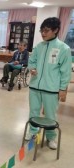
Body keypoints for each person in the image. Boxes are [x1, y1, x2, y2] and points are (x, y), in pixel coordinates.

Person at [25, 17, 72, 150]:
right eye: (42, 31)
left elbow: (65, 71)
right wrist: (32, 69)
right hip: (34, 86)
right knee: (33, 112)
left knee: (50, 115)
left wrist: (63, 88)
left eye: (46, 31)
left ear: (56, 30)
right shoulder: (39, 47)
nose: (43, 34)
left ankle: (51, 137)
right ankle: (33, 132)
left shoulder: (64, 48)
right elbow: (31, 61)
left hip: (51, 89)